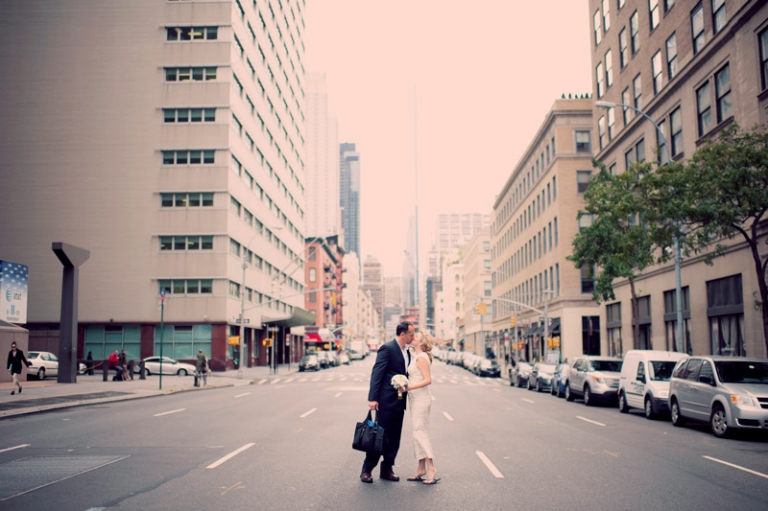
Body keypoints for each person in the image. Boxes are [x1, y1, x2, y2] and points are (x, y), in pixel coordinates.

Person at [360, 321, 414, 484]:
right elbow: (377, 373)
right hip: (385, 400)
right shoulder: (387, 348)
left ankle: (387, 469)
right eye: (411, 334)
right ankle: (367, 469)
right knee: (379, 436)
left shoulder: (407, 352)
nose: (413, 337)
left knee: (394, 437)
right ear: (402, 334)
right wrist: (373, 398)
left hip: (399, 402)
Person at [404, 331, 439, 485]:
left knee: (420, 431)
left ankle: (431, 467)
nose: (413, 337)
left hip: (421, 398)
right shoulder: (415, 354)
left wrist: (407, 388)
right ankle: (420, 468)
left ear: (422, 343)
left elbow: (428, 380)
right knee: (416, 431)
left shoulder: (422, 357)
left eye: (416, 337)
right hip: (414, 398)